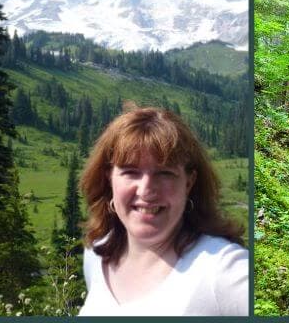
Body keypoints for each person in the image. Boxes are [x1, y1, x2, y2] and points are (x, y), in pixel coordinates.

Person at [78, 106, 248, 316]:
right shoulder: (96, 253)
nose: (146, 190)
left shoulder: (223, 269)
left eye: (164, 173)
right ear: (109, 178)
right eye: (131, 172)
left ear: (189, 182)